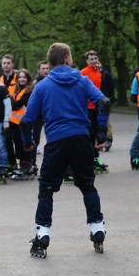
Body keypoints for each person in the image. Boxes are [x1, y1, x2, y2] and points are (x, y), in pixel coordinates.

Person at [20, 42, 109, 258]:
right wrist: (101, 132)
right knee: (87, 185)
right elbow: (103, 102)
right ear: (68, 59)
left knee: (47, 189)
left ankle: (42, 234)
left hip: (57, 141)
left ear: (49, 62)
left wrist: (28, 142)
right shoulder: (82, 79)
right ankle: (97, 228)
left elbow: (26, 120)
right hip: (80, 138)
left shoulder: (42, 86)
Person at [80, 50, 113, 173]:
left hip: (98, 107)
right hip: (87, 107)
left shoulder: (99, 73)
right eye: (91, 59)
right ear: (87, 61)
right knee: (89, 133)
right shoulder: (83, 73)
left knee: (98, 132)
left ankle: (95, 157)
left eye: (95, 58)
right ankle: (89, 159)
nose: (93, 61)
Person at [8, 69, 35, 180]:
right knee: (18, 143)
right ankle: (23, 165)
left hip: (24, 122)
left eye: (24, 77)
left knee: (25, 143)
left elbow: (17, 104)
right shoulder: (18, 90)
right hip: (15, 122)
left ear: (28, 79)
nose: (22, 79)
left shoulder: (29, 91)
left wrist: (12, 102)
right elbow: (15, 104)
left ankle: (27, 165)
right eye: (20, 77)